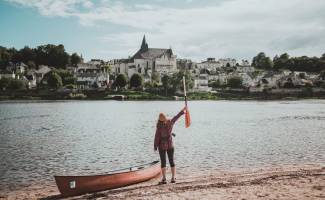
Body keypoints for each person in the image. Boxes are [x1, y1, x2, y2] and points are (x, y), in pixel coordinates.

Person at [154, 107, 186, 184]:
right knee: (171, 161)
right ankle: (173, 178)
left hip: (162, 146)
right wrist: (182, 112)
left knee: (163, 162)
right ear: (165, 118)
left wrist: (155, 146)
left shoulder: (159, 127)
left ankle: (164, 179)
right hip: (170, 145)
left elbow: (157, 137)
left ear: (159, 120)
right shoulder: (170, 123)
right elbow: (176, 117)